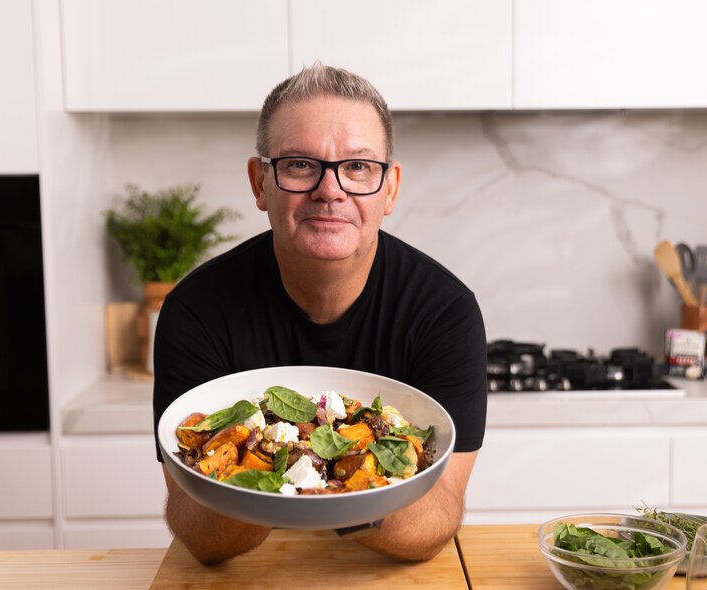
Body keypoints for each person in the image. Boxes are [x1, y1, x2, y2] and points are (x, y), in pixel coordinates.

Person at [152, 63, 487, 565]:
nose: (331, 190)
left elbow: (434, 524)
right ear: (260, 182)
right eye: (301, 164)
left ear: (390, 188)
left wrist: (335, 486)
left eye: (358, 167)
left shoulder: (444, 312)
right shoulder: (195, 311)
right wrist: (273, 460)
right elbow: (200, 535)